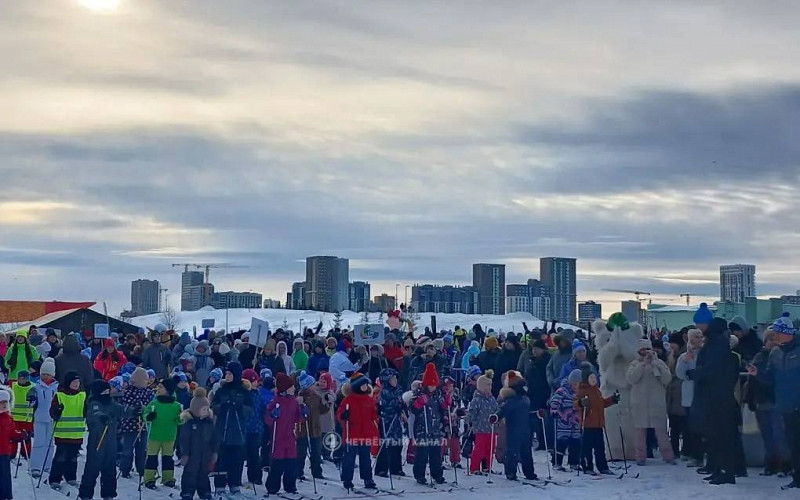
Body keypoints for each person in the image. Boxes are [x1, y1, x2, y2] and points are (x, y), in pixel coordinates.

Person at [687, 313, 739, 485]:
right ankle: (719, 469)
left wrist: (696, 374)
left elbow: (711, 370)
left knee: (721, 437)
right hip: (718, 398)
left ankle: (725, 471)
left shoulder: (716, 347)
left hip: (716, 399)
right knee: (718, 437)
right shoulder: (719, 345)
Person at [750, 312, 800, 490]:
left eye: (778, 333)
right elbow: (771, 377)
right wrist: (758, 374)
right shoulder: (775, 353)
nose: (775, 336)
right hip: (784, 405)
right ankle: (797, 477)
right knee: (792, 442)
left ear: (787, 333)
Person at [627, 338, 675, 466]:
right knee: (639, 432)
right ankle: (640, 457)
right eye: (643, 349)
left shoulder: (659, 363)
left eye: (647, 349)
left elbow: (667, 379)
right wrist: (642, 365)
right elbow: (631, 379)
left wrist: (655, 364)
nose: (645, 352)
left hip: (656, 403)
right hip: (639, 403)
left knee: (661, 432)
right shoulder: (634, 364)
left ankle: (668, 456)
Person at [211, 362, 254, 495]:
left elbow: (250, 409)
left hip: (238, 430)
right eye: (226, 373)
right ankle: (220, 484)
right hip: (223, 429)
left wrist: (240, 408)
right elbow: (214, 405)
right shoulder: (221, 390)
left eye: (230, 373)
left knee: (236, 460)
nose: (227, 376)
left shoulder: (244, 392)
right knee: (222, 459)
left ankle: (234, 483)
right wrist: (223, 407)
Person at [78, 379, 123, 500]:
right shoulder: (94, 403)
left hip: (110, 443)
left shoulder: (111, 402)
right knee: (92, 469)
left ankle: (109, 493)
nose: (107, 394)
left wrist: (133, 411)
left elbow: (120, 409)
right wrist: (103, 418)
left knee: (110, 469)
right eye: (104, 391)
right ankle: (86, 494)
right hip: (97, 442)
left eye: (108, 391)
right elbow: (95, 413)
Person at [337, 373, 379, 490]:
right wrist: (343, 416)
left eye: (366, 385)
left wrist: (379, 412)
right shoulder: (348, 400)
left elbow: (373, 415)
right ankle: (347, 479)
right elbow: (340, 414)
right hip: (352, 433)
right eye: (363, 385)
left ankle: (367, 478)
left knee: (365, 458)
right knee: (349, 458)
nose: (365, 387)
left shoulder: (369, 400)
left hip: (365, 433)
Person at [409, 363, 446, 485]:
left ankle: (437, 474)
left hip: (435, 428)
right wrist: (419, 403)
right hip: (422, 428)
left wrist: (447, 405)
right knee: (422, 453)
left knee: (436, 453)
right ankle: (419, 474)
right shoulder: (419, 394)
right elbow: (413, 409)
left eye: (435, 385)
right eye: (431, 385)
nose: (433, 387)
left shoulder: (437, 395)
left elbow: (442, 408)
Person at [575, 367, 618, 475]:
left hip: (598, 424)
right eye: (591, 377)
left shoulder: (597, 391)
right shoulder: (582, 391)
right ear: (586, 379)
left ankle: (602, 467)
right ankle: (587, 467)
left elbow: (602, 403)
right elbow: (575, 404)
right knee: (587, 449)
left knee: (600, 448)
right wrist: (581, 403)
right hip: (587, 425)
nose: (594, 379)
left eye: (594, 377)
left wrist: (612, 399)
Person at [495, 371, 536, 481]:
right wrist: (496, 417)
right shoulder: (514, 401)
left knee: (524, 453)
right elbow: (502, 411)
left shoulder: (523, 399)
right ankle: (512, 472)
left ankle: (527, 472)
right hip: (515, 430)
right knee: (514, 451)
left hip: (524, 429)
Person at [265, 373, 302, 495]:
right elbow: (268, 419)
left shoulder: (294, 402)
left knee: (291, 463)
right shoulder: (275, 401)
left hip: (290, 436)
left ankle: (290, 486)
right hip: (278, 437)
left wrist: (303, 414)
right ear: (285, 389)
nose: (294, 389)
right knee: (277, 464)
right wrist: (272, 415)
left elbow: (297, 418)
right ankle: (272, 486)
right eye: (291, 387)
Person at [179, 387, 219, 500]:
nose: (206, 411)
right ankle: (187, 491)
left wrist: (215, 452)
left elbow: (214, 438)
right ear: (196, 409)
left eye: (207, 409)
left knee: (203, 473)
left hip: (206, 453)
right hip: (192, 454)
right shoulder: (189, 423)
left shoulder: (209, 423)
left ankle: (204, 491)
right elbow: (184, 440)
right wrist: (185, 454)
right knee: (190, 473)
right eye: (204, 409)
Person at [143, 377, 183, 489]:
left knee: (168, 458)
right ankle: (149, 478)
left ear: (168, 390)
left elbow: (178, 421)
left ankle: (168, 478)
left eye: (161, 387)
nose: (158, 389)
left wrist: (182, 417)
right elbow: (145, 415)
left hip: (169, 436)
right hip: (154, 436)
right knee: (151, 458)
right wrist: (148, 417)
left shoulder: (176, 406)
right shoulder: (153, 403)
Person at [48, 371, 86, 491]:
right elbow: (53, 413)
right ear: (68, 383)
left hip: (77, 433)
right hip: (62, 433)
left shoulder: (82, 396)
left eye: (78, 382)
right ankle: (55, 479)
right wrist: (57, 411)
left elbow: (86, 411)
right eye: (74, 382)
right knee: (61, 456)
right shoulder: (59, 395)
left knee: (73, 457)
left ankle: (70, 477)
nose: (76, 384)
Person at [675, 329, 704, 467]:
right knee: (689, 426)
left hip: (702, 395)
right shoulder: (684, 356)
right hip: (688, 395)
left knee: (699, 426)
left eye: (700, 336)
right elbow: (679, 373)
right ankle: (690, 451)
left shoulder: (705, 354)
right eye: (695, 337)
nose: (698, 339)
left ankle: (699, 453)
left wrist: (697, 374)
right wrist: (686, 367)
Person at [119, 367, 154, 478]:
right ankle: (125, 469)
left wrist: (147, 411)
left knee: (142, 449)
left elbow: (150, 403)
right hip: (130, 425)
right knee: (128, 450)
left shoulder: (147, 392)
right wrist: (135, 409)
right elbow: (127, 404)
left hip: (142, 426)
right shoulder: (129, 391)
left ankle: (141, 469)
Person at [519, 338, 551, 450]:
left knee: (544, 419)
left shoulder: (547, 360)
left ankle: (547, 442)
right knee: (535, 419)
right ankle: (541, 441)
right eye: (533, 349)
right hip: (533, 392)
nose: (534, 351)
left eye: (536, 349)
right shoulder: (532, 361)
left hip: (544, 392)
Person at [296, 370, 328, 481]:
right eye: (313, 384)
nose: (315, 386)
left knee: (316, 451)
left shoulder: (316, 397)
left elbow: (322, 410)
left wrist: (326, 404)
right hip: (303, 428)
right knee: (301, 452)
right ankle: (298, 471)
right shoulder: (300, 397)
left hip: (315, 429)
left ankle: (316, 471)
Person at [29, 357, 58, 478]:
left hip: (52, 419)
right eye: (43, 374)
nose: (45, 376)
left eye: (48, 374)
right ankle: (36, 466)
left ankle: (48, 465)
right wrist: (31, 399)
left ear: (53, 375)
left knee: (50, 443)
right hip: (40, 417)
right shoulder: (36, 387)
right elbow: (31, 403)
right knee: (39, 442)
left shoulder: (57, 388)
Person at [466, 371, 499, 474]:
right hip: (480, 428)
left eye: (490, 385)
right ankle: (474, 467)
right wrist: (471, 421)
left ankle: (487, 466)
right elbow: (472, 413)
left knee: (490, 449)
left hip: (491, 428)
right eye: (487, 385)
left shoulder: (492, 399)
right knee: (479, 449)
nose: (489, 387)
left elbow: (496, 410)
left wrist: (497, 418)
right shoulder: (476, 400)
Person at [375, 368, 405, 478]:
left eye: (395, 378)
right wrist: (393, 408)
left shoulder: (398, 389)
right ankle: (382, 468)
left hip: (396, 421)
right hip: (386, 421)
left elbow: (400, 401)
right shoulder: (383, 392)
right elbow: (382, 407)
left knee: (398, 444)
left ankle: (396, 467)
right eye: (392, 378)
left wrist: (402, 407)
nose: (395, 380)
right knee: (386, 444)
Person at [550, 369, 581, 471]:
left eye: (579, 384)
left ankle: (574, 463)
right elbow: (554, 401)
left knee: (575, 442)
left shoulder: (579, 393)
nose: (577, 387)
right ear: (571, 382)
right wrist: (555, 410)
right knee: (562, 443)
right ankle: (557, 462)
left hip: (575, 422)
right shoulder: (562, 391)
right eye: (576, 384)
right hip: (564, 422)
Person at [0, 388, 28, 500]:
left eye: (5, 402)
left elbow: (12, 433)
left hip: (5, 451)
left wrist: (20, 435)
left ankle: (6, 495)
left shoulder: (9, 418)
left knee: (5, 475)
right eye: (1, 403)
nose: (3, 405)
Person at [10, 370, 34, 460]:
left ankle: (26, 453)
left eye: (24, 378)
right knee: (13, 437)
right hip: (14, 417)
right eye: (20, 378)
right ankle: (12, 454)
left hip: (27, 418)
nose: (22, 380)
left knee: (26, 437)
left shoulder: (32, 387)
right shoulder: (13, 386)